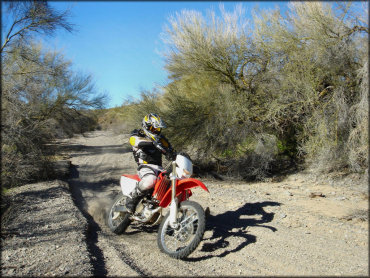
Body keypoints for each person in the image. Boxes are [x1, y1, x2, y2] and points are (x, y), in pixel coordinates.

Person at [126, 113, 176, 213]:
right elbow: (135, 141)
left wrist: (178, 157)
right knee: (150, 180)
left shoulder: (161, 139)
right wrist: (153, 144)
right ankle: (131, 199)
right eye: (154, 129)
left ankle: (182, 210)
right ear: (147, 127)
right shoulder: (138, 134)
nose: (156, 131)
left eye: (158, 129)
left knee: (173, 184)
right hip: (145, 167)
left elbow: (171, 150)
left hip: (159, 169)